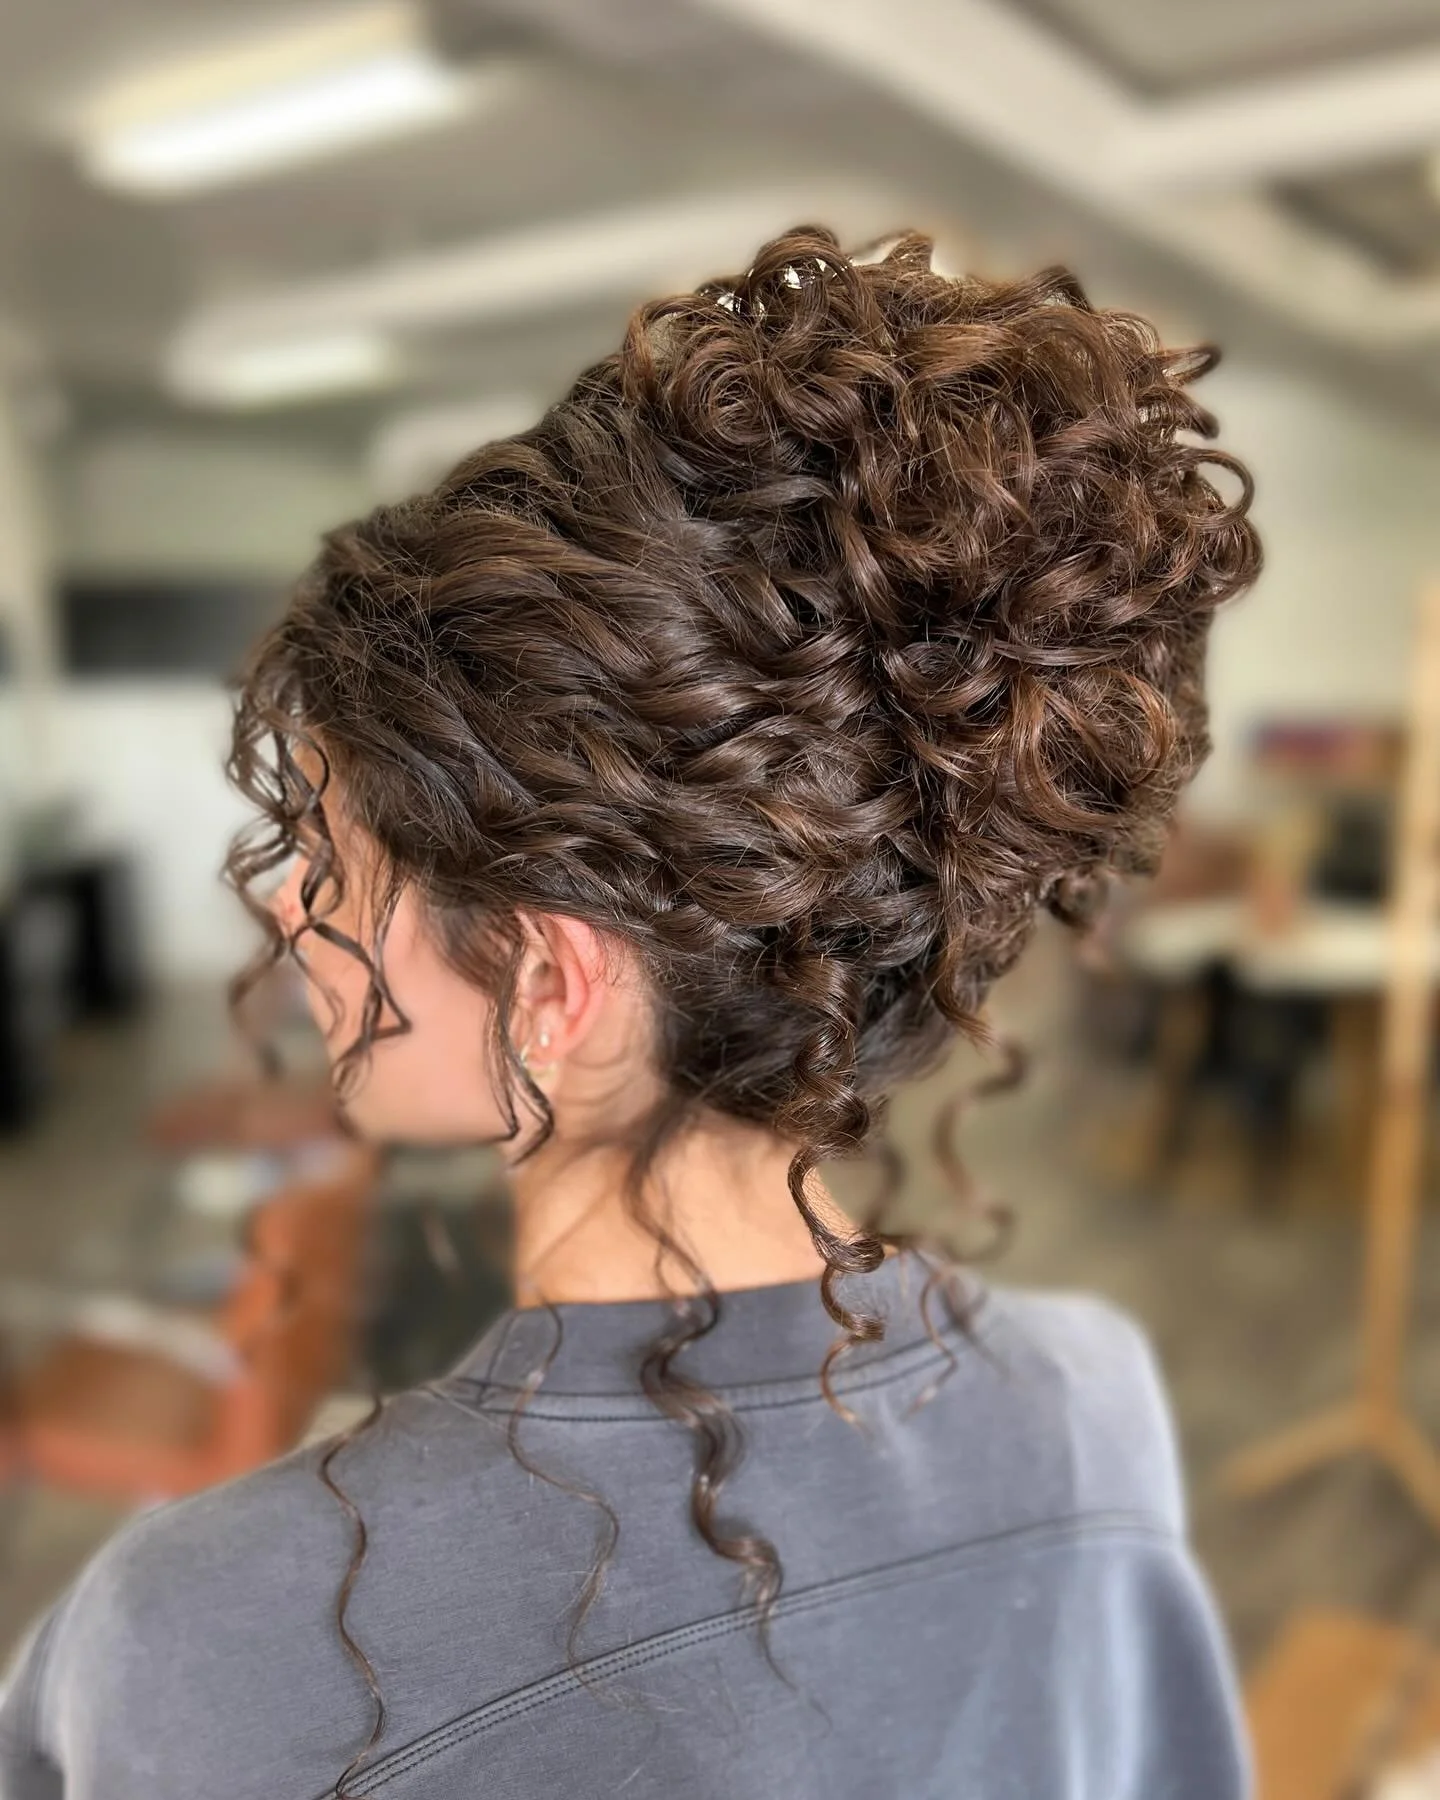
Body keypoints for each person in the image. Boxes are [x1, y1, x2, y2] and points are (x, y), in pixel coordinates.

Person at [0, 225, 1261, 1799]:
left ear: (552, 982)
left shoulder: (195, 1637)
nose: (282, 908)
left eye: (331, 862)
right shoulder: (1092, 1403)